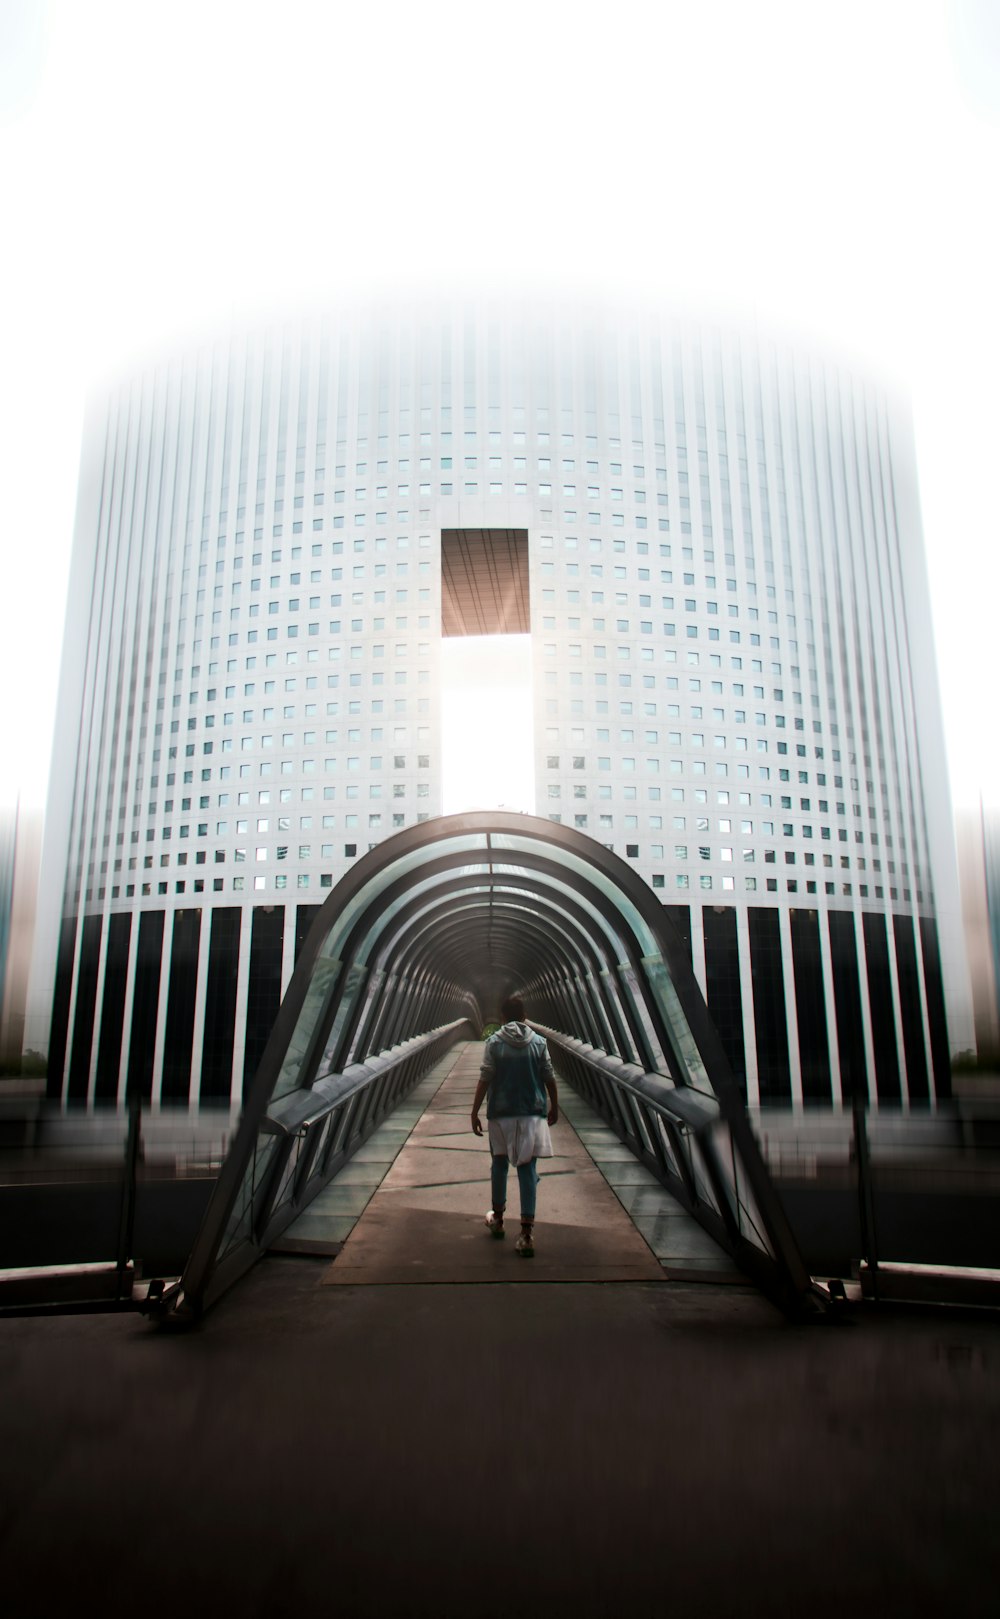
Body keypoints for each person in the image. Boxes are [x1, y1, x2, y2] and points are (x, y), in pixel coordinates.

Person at [470, 995, 558, 1257]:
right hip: (532, 1112)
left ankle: (497, 1219)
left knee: (499, 1164)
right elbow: (549, 1075)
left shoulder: (494, 1043)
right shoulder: (539, 1042)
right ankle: (527, 1234)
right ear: (524, 1015)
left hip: (501, 1112)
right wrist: (554, 1105)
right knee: (527, 1169)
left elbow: (486, 1077)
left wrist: (474, 1111)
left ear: (503, 1016)